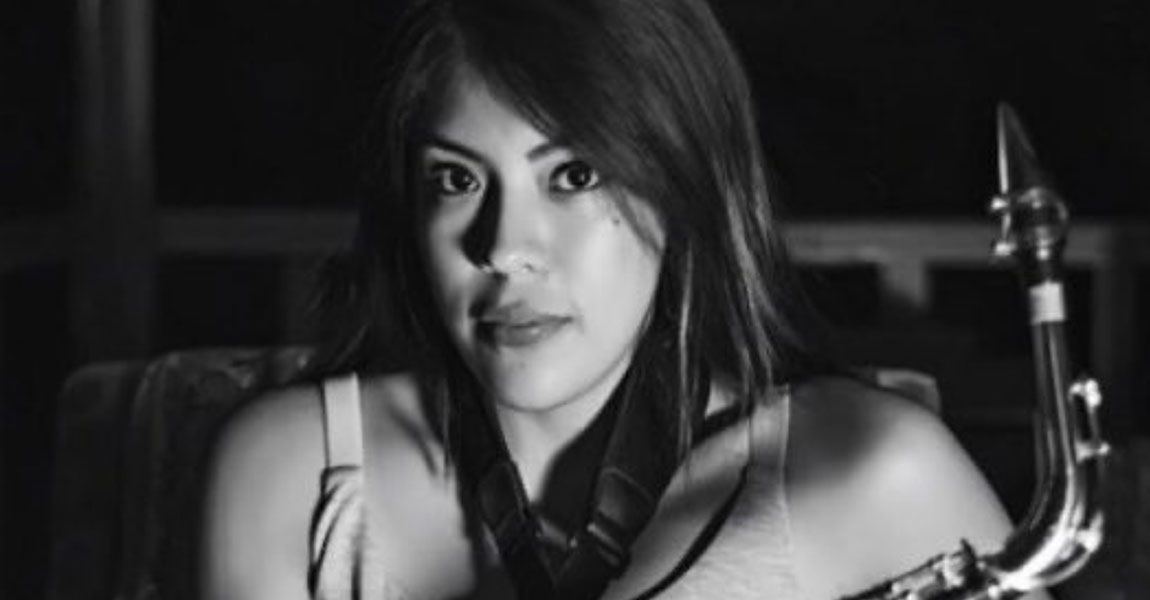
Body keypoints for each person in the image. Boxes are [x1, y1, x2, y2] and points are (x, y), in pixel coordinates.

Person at [200, 0, 1047, 598]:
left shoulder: (877, 472)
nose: (504, 246)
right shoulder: (293, 472)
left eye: (575, 175)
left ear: (685, 191)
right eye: (456, 179)